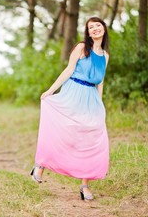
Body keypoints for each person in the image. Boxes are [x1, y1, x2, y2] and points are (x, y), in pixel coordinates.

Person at [30, 16, 110, 201]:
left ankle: (84, 185)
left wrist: (100, 104)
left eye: (98, 25)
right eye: (91, 27)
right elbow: (68, 70)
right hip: (74, 92)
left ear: (104, 29)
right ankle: (40, 164)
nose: (95, 29)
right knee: (66, 133)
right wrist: (51, 90)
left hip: (91, 98)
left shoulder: (105, 55)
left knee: (89, 139)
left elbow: (101, 81)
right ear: (88, 33)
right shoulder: (82, 48)